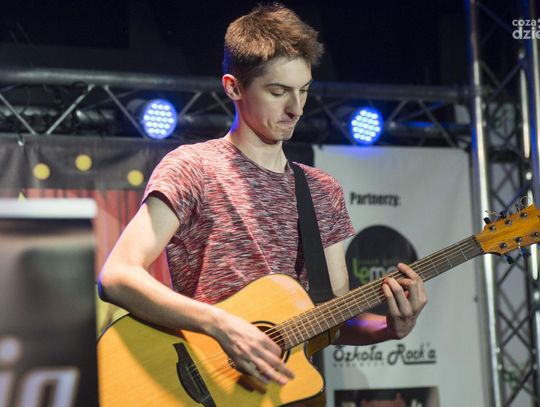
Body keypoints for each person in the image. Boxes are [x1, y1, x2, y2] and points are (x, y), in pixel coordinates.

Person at [98, 3, 427, 388]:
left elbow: (330, 321)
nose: (296, 108)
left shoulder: (322, 191)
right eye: (278, 91)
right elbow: (117, 275)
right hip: (206, 386)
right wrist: (220, 324)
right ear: (233, 87)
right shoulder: (193, 167)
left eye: (304, 90)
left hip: (285, 391)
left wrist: (388, 329)